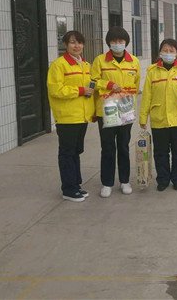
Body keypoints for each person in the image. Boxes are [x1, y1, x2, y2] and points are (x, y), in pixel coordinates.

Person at [91, 26, 141, 198]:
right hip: (107, 111)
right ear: (109, 43)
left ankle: (125, 181)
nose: (118, 44)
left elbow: (136, 85)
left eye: (121, 41)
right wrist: (108, 85)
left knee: (124, 146)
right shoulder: (100, 61)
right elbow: (92, 82)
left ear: (126, 42)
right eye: (114, 41)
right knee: (107, 148)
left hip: (126, 110)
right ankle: (107, 183)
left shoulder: (134, 61)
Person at [139, 39, 177, 191]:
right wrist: (143, 117)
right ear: (160, 52)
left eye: (171, 51)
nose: (168, 53)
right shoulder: (152, 71)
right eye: (165, 50)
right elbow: (147, 96)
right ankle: (162, 180)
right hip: (159, 118)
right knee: (161, 152)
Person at [47, 31, 95, 202]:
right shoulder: (59, 65)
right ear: (66, 45)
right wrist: (80, 90)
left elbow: (92, 88)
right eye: (73, 42)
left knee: (76, 152)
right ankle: (68, 189)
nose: (77, 46)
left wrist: (92, 112)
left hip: (82, 117)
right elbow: (56, 90)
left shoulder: (86, 65)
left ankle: (76, 184)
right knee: (67, 153)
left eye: (80, 42)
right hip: (67, 117)